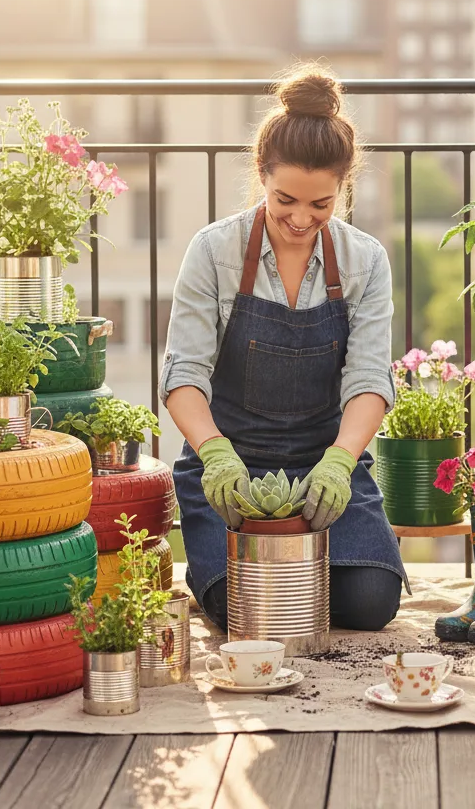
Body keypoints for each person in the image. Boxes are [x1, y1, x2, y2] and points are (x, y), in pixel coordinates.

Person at [160, 66, 407, 632]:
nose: (301, 219)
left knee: (372, 601)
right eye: (284, 200)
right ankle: (263, 578)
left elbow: (369, 379)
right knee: (242, 606)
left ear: (344, 186)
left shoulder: (366, 261)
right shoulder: (213, 252)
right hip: (233, 471)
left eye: (321, 205)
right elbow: (183, 376)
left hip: (326, 468)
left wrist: (342, 461)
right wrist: (215, 455)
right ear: (261, 175)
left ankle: (300, 571)